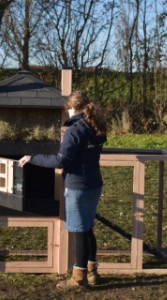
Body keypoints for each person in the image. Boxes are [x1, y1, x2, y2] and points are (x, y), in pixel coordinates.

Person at [18, 90, 107, 288]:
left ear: (72, 108)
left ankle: (78, 278)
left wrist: (32, 158)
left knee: (79, 230)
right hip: (93, 183)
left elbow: (61, 161)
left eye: (67, 109)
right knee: (88, 227)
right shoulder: (94, 126)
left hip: (78, 185)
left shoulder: (76, 129)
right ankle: (93, 272)